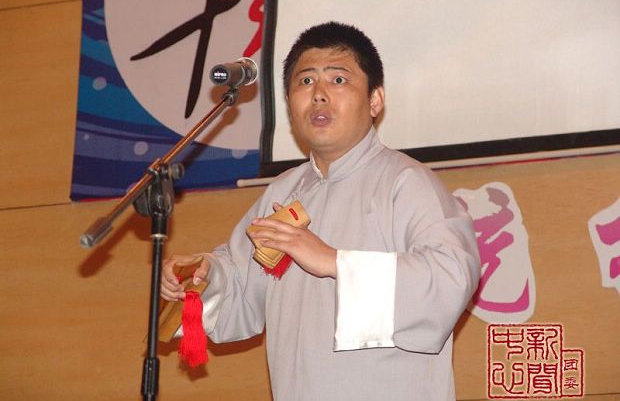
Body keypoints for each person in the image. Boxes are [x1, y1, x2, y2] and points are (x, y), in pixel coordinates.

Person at [161, 21, 480, 400]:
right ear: (289, 103)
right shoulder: (282, 192)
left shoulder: (407, 182)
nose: (319, 95)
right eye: (306, 81)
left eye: (338, 80)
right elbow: (241, 286)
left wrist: (333, 261)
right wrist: (205, 274)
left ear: (375, 100)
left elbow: (450, 278)